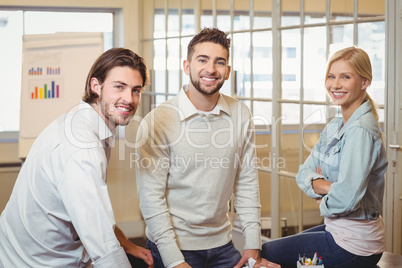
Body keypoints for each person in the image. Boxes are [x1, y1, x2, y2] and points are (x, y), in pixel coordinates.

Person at [0, 48, 154, 268]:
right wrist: (120, 251)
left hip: (25, 249)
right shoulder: (82, 147)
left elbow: (95, 211)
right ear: (96, 86)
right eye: (119, 87)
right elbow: (104, 248)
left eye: (136, 90)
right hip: (34, 262)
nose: (129, 99)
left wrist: (126, 245)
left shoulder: (83, 123)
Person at [135, 28, 263, 268]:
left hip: (223, 245)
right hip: (172, 247)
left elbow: (246, 181)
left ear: (228, 71)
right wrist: (174, 261)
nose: (211, 69)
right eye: (202, 60)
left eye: (220, 62)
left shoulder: (240, 114)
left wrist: (253, 242)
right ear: (186, 66)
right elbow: (151, 197)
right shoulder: (158, 120)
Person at [261, 46, 388, 268]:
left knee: (267, 254)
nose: (335, 85)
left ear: (365, 82)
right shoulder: (335, 126)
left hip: (354, 246)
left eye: (345, 77)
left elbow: (347, 199)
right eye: (331, 76)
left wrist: (322, 195)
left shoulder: (361, 131)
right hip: (338, 231)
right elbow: (303, 173)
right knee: (274, 251)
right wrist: (331, 187)